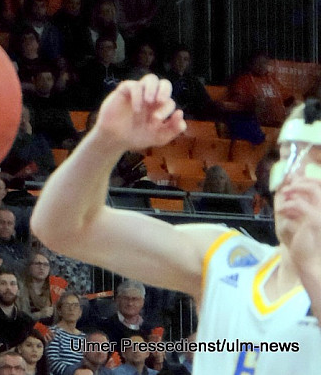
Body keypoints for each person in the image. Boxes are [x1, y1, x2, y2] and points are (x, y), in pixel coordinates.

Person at [32, 76, 321, 373]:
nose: (295, 175)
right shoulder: (227, 257)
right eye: (290, 157)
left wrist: (310, 256)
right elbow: (61, 227)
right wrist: (107, 141)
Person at [44, 292, 86, 375]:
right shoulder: (52, 332)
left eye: (75, 305)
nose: (71, 309)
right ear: (59, 311)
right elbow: (53, 362)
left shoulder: (85, 337)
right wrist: (75, 372)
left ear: (80, 312)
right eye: (67, 305)